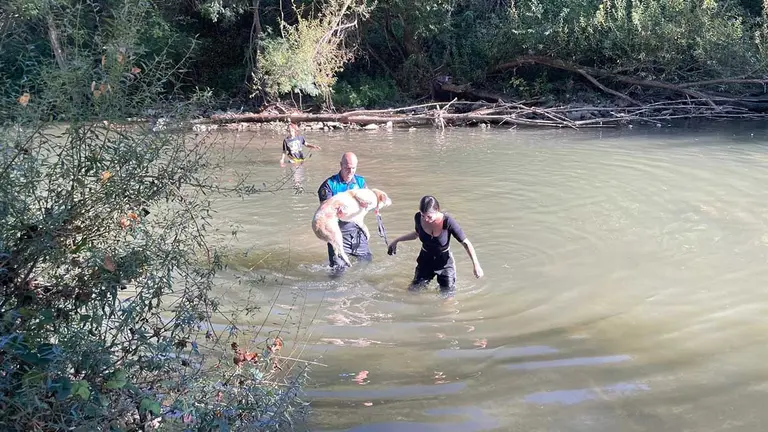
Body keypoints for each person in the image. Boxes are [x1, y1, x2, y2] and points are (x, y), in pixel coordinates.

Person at [387, 195, 483, 292]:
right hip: (425, 260)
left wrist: (476, 265)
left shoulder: (448, 222)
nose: (426, 219)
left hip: (444, 263)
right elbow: (416, 234)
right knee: (413, 292)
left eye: (429, 216)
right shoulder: (418, 218)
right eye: (423, 215)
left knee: (447, 296)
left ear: (437, 209)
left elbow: (466, 243)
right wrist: (396, 240)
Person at [317, 152, 373, 270]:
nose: (350, 171)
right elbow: (324, 212)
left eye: (353, 168)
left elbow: (368, 203)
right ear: (340, 165)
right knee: (338, 271)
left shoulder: (360, 182)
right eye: (347, 168)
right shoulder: (329, 185)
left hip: (356, 229)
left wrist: (367, 205)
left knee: (366, 263)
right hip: (336, 231)